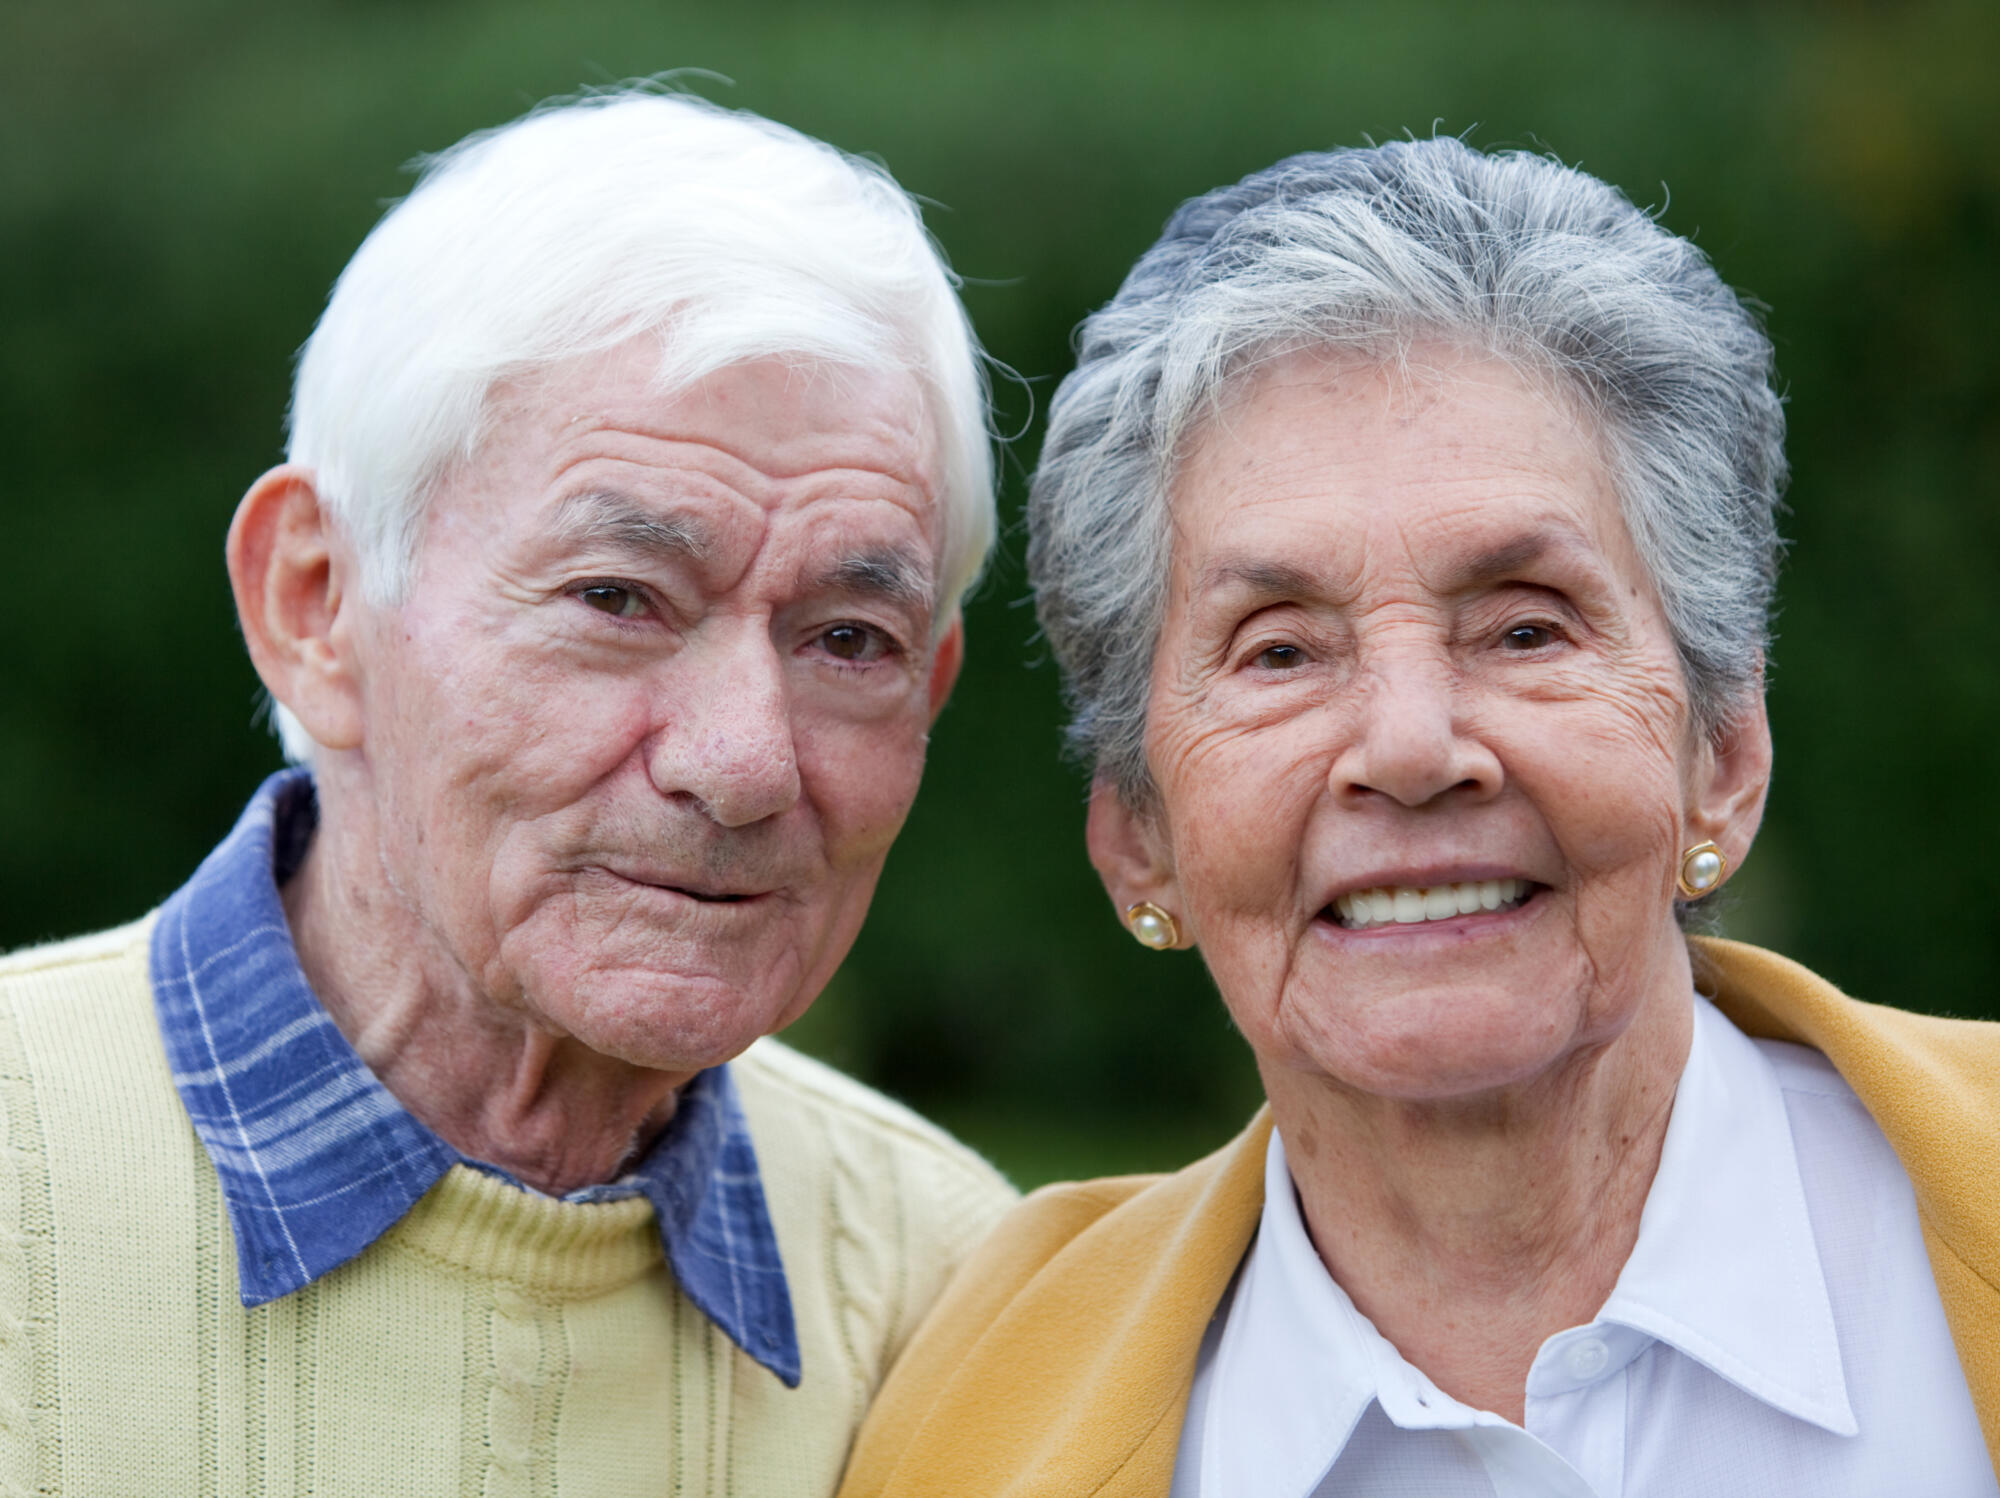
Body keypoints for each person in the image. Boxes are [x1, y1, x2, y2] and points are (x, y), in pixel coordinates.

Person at [838, 139, 2000, 1496]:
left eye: (1523, 625)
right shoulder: (972, 1423)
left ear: (1724, 756)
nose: (1408, 745)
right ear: (1135, 837)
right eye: (1279, 650)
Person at [0, 89, 1016, 1495]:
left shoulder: (958, 1292)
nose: (740, 762)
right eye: (618, 597)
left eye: (849, 637)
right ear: (317, 604)